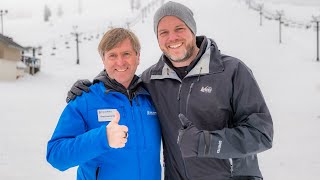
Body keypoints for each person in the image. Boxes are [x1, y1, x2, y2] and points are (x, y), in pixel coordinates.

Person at [67, 1, 274, 180]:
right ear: (157, 39)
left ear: (192, 30)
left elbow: (262, 134)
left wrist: (207, 143)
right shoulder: (152, 80)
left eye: (179, 29)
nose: (172, 38)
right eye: (163, 32)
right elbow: (122, 81)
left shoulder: (231, 71)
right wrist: (92, 86)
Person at [46, 28, 161, 180]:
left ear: (138, 57)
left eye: (126, 54)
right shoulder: (85, 100)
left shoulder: (152, 96)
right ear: (103, 60)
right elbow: (56, 155)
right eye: (112, 55)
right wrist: (102, 138)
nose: (120, 62)